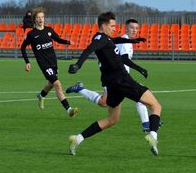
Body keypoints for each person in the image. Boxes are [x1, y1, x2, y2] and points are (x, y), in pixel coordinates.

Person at [67, 12, 162, 156]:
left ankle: (77, 139)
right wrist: (78, 65)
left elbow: (114, 40)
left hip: (112, 85)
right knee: (156, 106)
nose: (114, 28)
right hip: (122, 80)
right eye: (112, 26)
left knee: (112, 119)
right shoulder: (100, 39)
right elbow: (89, 49)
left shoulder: (105, 38)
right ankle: (153, 137)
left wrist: (133, 41)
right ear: (103, 26)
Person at [65, 19, 153, 132]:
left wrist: (135, 41)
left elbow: (115, 40)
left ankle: (146, 123)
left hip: (122, 78)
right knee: (107, 102)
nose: (134, 30)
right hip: (115, 78)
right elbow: (123, 59)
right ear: (126, 28)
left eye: (136, 28)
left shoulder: (125, 41)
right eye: (132, 28)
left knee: (138, 96)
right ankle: (147, 123)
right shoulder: (121, 42)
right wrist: (139, 69)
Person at [20, 7, 78, 117]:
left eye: (42, 17)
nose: (41, 19)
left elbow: (58, 39)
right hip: (44, 64)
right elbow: (22, 48)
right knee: (57, 84)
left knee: (50, 84)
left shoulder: (49, 30)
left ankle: (41, 96)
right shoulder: (31, 34)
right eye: (38, 17)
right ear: (34, 20)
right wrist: (27, 62)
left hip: (53, 62)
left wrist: (68, 41)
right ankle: (69, 109)